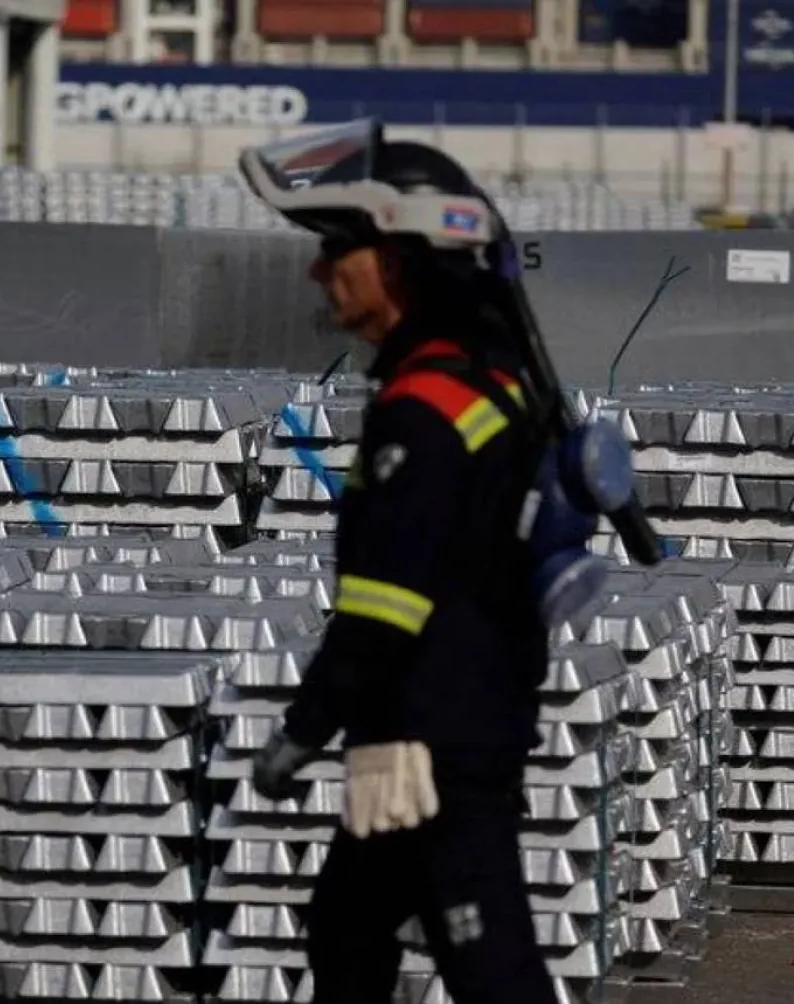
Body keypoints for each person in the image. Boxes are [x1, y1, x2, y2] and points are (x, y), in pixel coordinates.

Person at [243, 123, 562, 1004]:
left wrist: (301, 732)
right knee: (347, 928)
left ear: (400, 262)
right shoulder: (483, 382)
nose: (320, 271)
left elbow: (384, 609)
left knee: (491, 966)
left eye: (340, 249)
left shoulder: (422, 412)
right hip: (447, 716)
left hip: (438, 742)